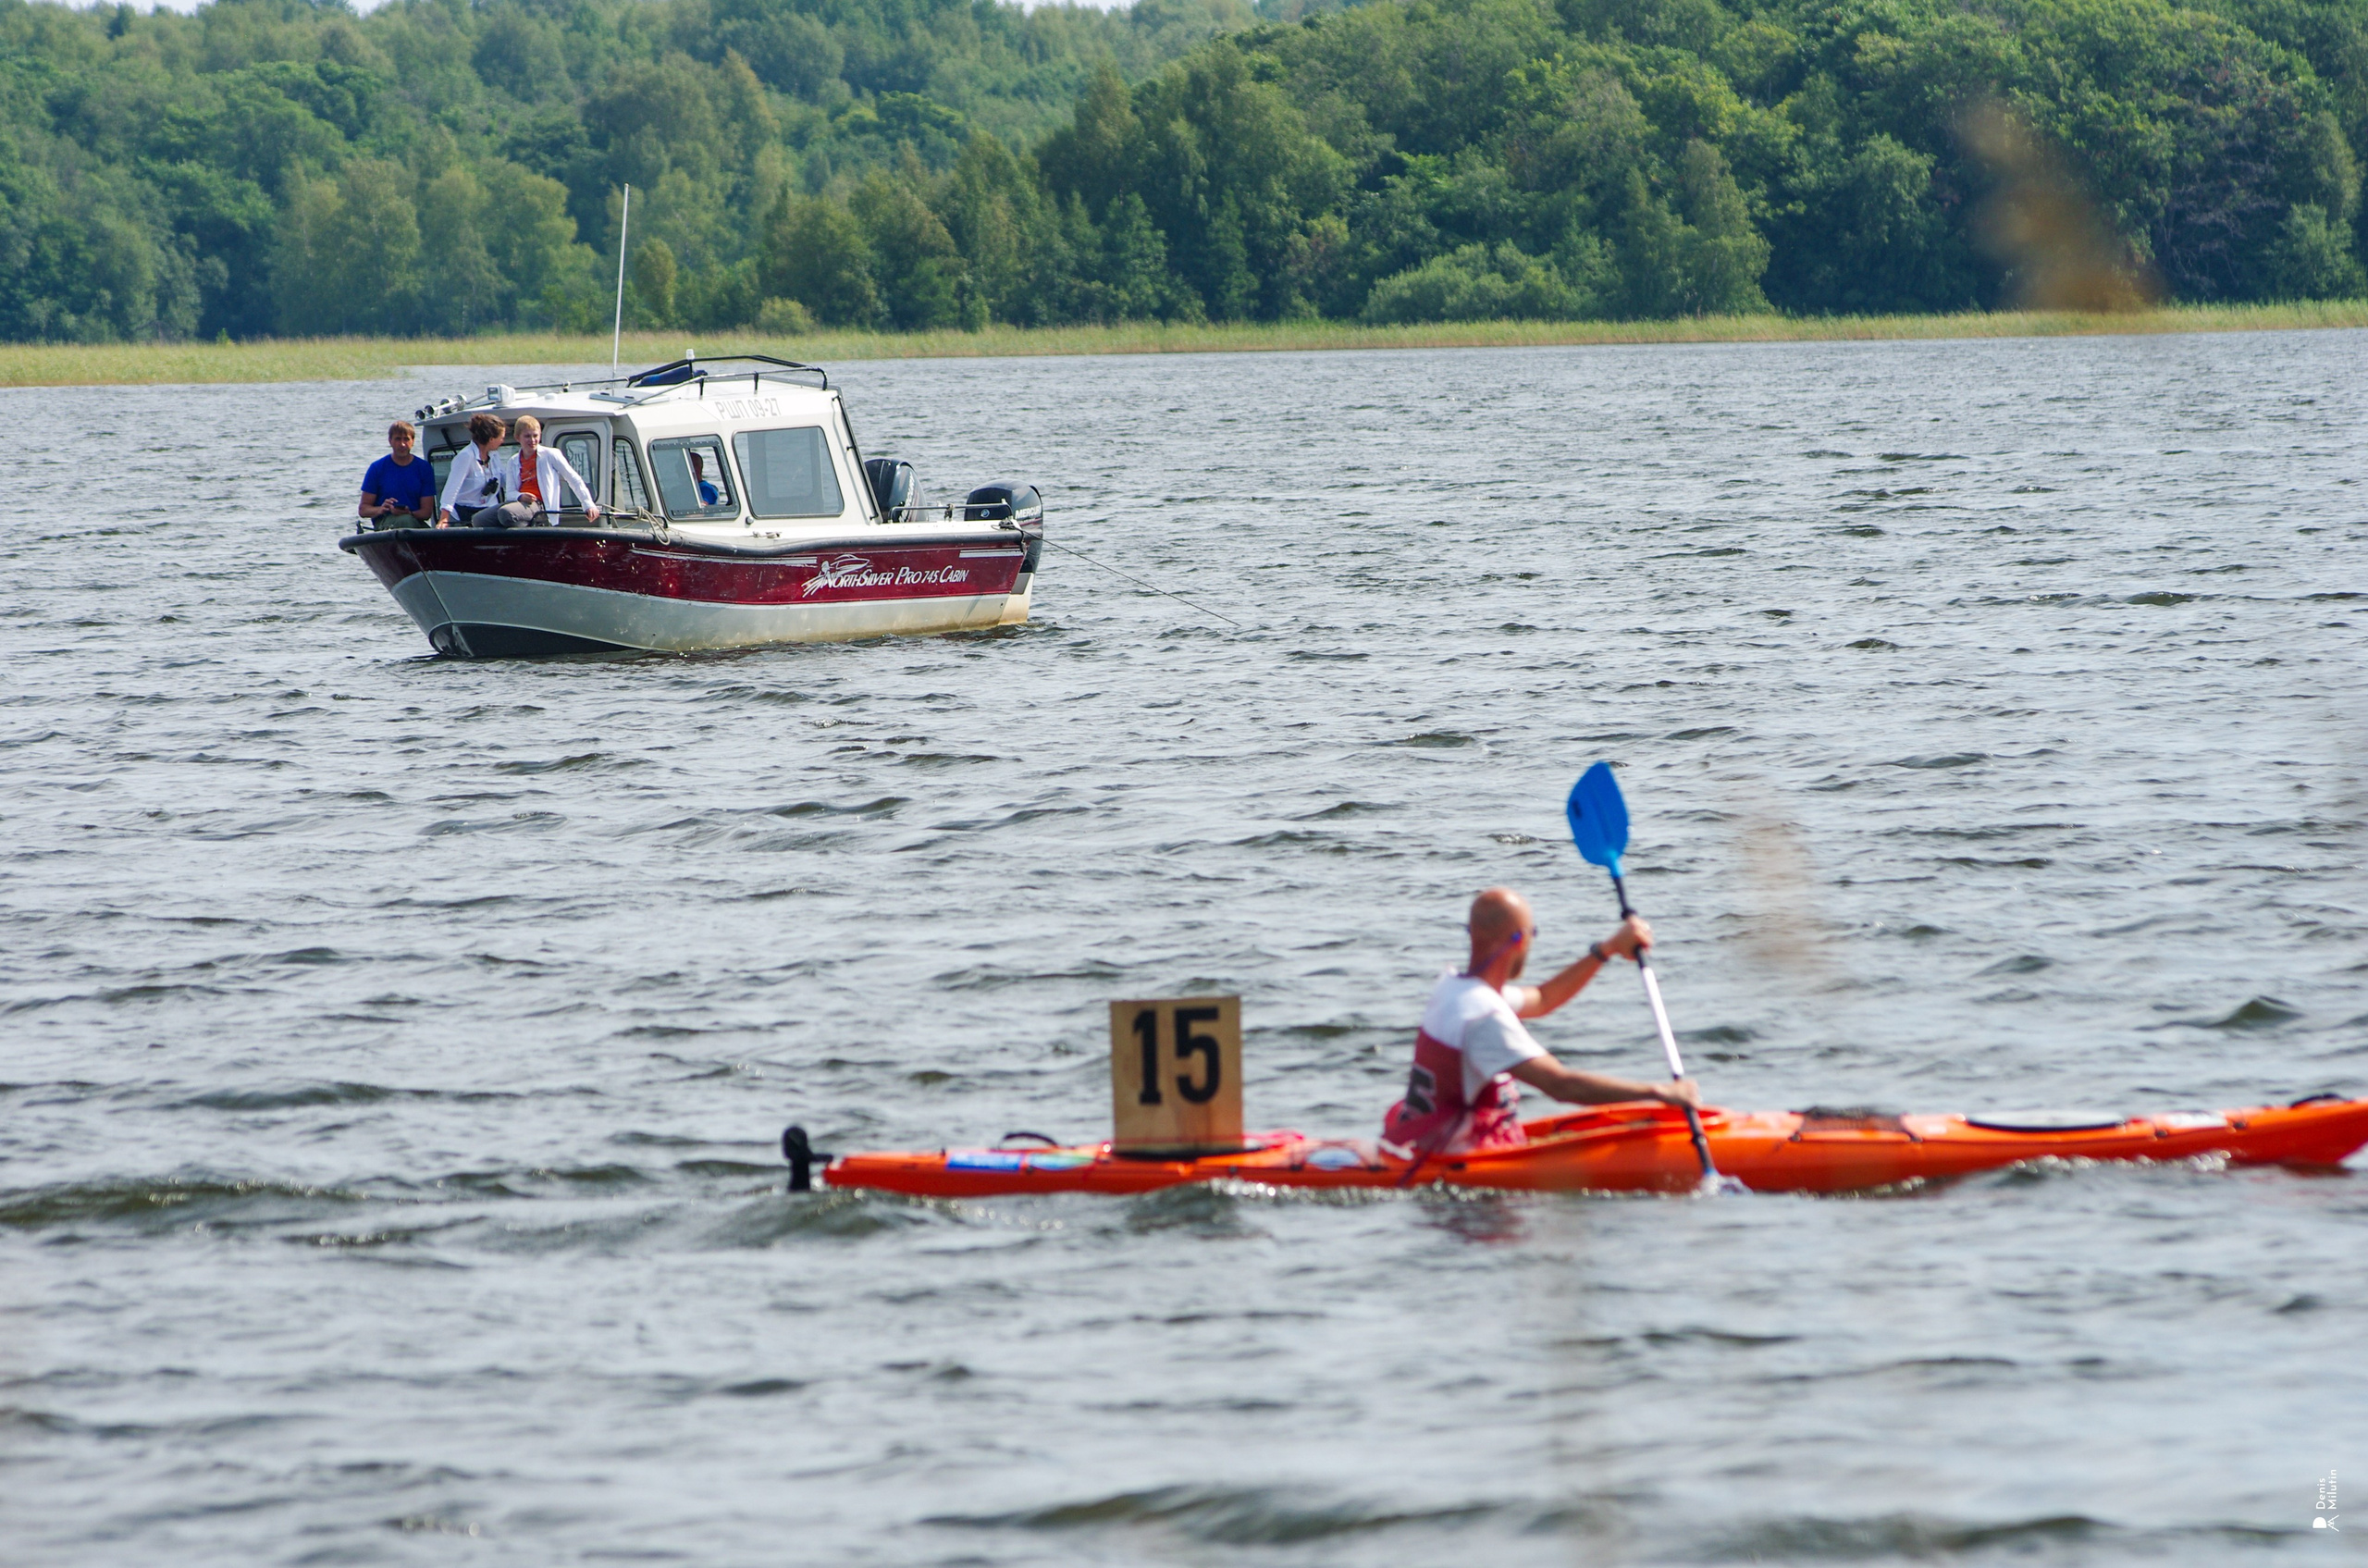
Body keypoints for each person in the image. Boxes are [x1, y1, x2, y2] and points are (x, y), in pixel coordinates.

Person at [1381, 887, 1699, 1156]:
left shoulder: (1452, 988)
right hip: (1470, 1160)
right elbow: (1561, 1084)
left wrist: (1608, 949)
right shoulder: (1484, 1018)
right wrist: (1661, 1092)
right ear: (1519, 940)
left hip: (1439, 1144)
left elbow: (1544, 999)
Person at [478, 415, 599, 527]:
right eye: (527, 436)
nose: (532, 440)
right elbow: (510, 493)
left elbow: (573, 478)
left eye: (535, 435)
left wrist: (588, 503)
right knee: (479, 519)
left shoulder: (551, 454)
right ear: (517, 437)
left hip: (540, 505)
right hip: (520, 503)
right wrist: (520, 496)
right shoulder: (512, 461)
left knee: (505, 514)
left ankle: (526, 537)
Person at [359, 421, 437, 526]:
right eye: (398, 439)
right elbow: (363, 510)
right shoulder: (377, 468)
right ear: (390, 441)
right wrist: (382, 509)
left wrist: (409, 512)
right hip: (385, 522)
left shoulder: (424, 468)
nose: (402, 444)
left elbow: (426, 513)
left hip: (414, 520)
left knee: (411, 522)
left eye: (406, 439)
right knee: (404, 521)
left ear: (413, 441)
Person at [437, 414, 508, 527]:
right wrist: (444, 518)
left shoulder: (494, 456)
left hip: (489, 510)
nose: (502, 441)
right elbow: (452, 488)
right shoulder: (466, 456)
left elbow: (505, 480)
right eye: (501, 437)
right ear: (491, 439)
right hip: (465, 512)